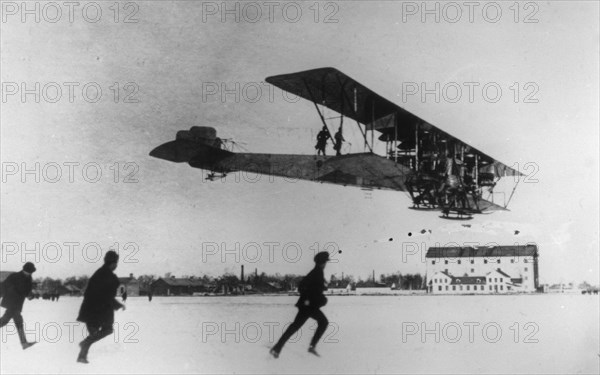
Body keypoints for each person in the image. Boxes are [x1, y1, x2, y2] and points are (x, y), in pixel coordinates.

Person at [270, 252, 330, 358]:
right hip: (308, 306)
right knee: (323, 322)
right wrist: (314, 300)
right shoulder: (317, 273)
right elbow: (304, 287)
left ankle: (277, 348)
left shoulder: (316, 272)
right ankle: (312, 346)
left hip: (307, 306)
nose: (326, 264)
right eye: (325, 262)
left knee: (295, 327)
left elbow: (311, 288)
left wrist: (320, 291)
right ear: (322, 263)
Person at [76, 251, 125, 364]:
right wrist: (118, 304)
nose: (116, 265)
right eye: (116, 262)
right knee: (106, 330)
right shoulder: (106, 275)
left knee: (93, 335)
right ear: (112, 263)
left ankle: (82, 356)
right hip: (97, 310)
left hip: (92, 310)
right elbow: (106, 295)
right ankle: (83, 348)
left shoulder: (101, 273)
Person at [0, 262, 37, 349]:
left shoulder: (29, 278)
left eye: (30, 272)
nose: (29, 273)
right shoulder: (15, 276)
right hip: (11, 301)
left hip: (18, 302)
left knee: (5, 321)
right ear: (24, 270)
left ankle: (24, 343)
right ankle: (24, 343)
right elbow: (3, 286)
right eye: (28, 271)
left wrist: (30, 295)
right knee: (18, 320)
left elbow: (27, 289)